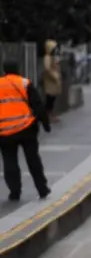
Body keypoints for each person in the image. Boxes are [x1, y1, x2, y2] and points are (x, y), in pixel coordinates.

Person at [0, 61, 51, 201]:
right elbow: (38, 105)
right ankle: (42, 189)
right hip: (26, 128)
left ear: (4, 71)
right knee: (33, 159)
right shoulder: (24, 83)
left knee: (9, 162)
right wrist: (46, 124)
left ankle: (15, 192)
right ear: (18, 70)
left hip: (5, 132)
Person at [43, 40, 62, 123]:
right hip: (50, 81)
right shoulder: (47, 57)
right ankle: (48, 115)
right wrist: (55, 75)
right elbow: (47, 69)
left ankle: (51, 115)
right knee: (49, 99)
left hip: (54, 81)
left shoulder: (53, 57)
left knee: (52, 99)